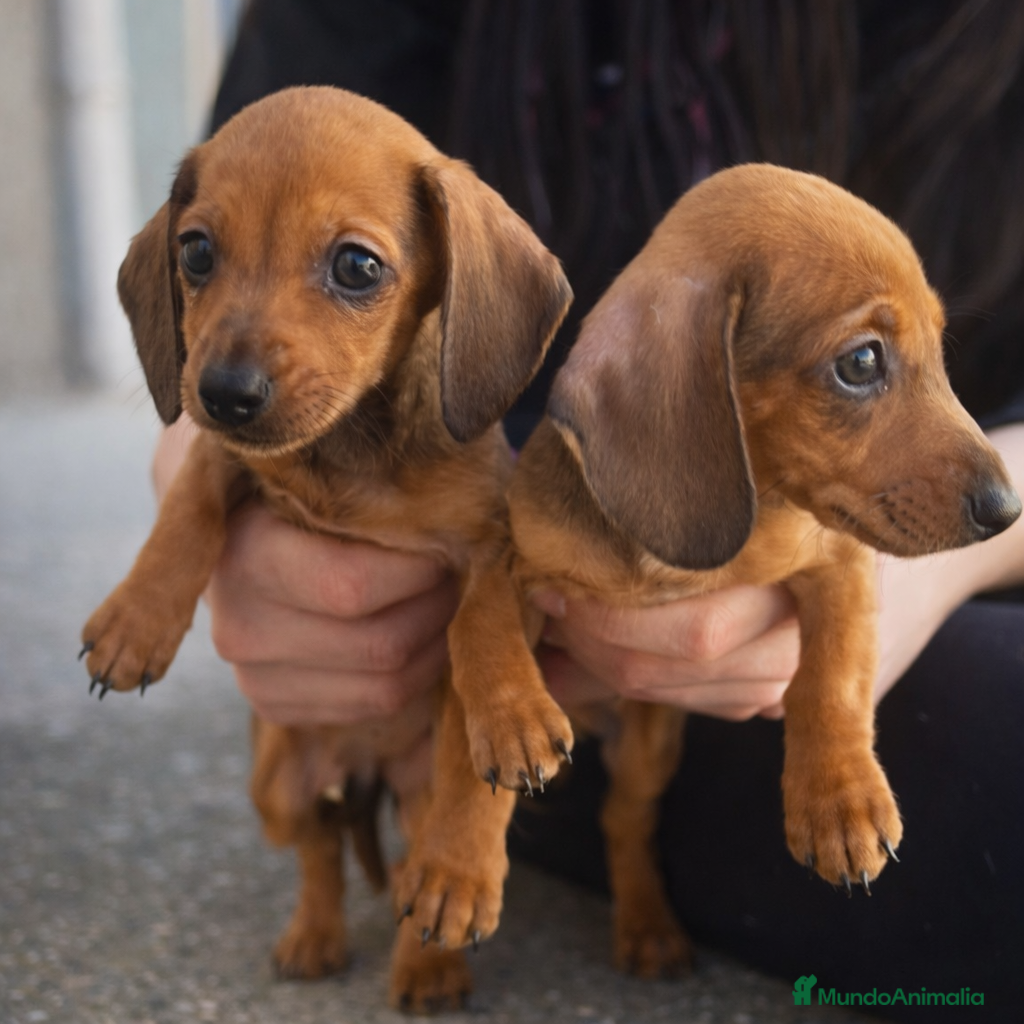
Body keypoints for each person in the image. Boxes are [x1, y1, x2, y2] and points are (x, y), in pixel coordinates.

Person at [154, 1, 1024, 1018]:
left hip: (917, 575)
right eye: (861, 362)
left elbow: (915, 520)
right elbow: (234, 249)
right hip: (489, 606)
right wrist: (210, 470)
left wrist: (913, 593)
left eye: (353, 267)